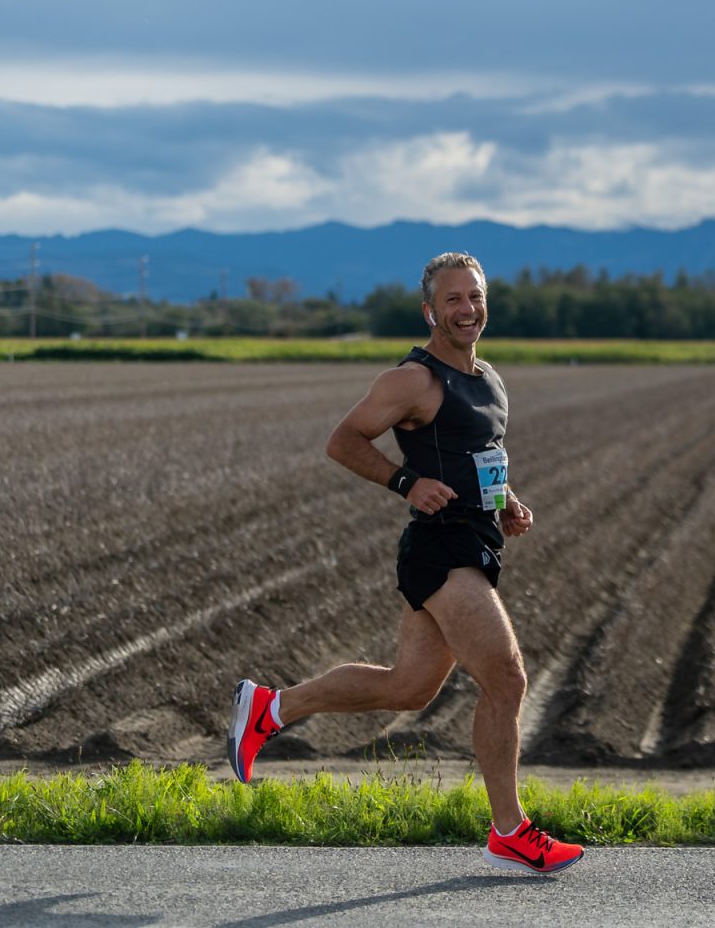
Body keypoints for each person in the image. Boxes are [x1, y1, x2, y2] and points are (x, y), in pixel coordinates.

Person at [227, 251, 584, 875]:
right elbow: (343, 441)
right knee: (507, 679)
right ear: (430, 311)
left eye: (474, 296)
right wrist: (405, 482)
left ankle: (270, 709)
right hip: (440, 549)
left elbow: (482, 455)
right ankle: (510, 833)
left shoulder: (489, 379)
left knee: (408, 687)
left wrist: (506, 502)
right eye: (453, 300)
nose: (466, 309)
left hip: (476, 540)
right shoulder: (412, 381)